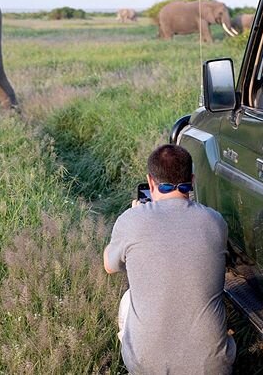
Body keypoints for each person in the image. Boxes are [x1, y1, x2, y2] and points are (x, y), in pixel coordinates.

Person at [103, 144, 235, 374]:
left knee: (128, 299)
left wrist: (134, 215)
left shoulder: (131, 220)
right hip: (212, 367)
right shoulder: (215, 221)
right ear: (192, 180)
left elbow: (109, 266)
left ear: (150, 181)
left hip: (148, 366)